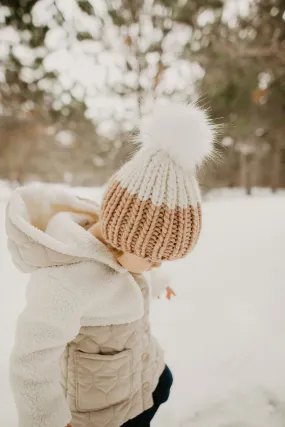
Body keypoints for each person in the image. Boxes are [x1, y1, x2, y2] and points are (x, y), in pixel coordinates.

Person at [6, 101, 216, 427]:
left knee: (162, 386)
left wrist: (159, 283)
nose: (156, 265)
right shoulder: (66, 281)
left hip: (141, 379)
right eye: (153, 257)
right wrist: (46, 420)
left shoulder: (126, 253)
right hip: (103, 413)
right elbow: (31, 358)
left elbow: (130, 276)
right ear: (125, 236)